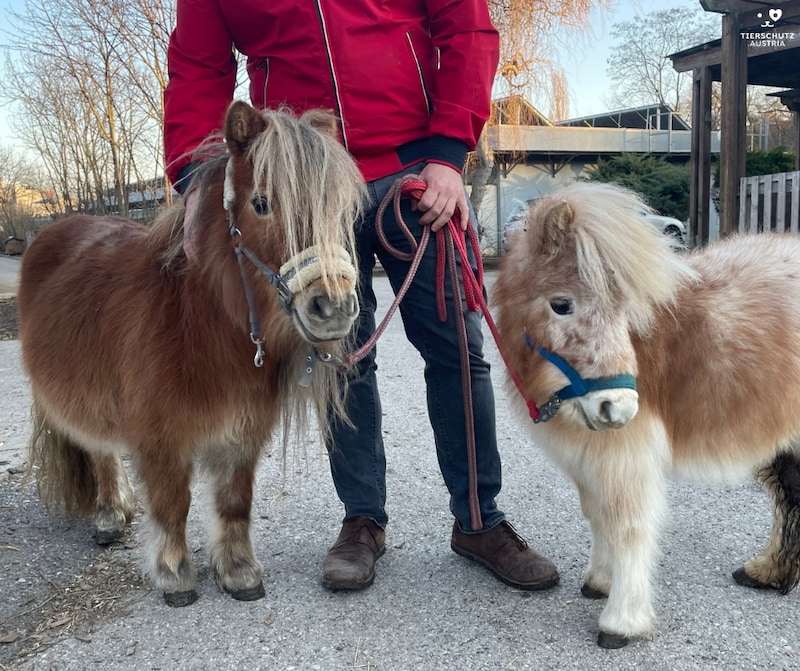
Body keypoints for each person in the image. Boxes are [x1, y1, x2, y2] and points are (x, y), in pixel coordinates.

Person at [164, 0, 559, 593]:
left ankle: (479, 519)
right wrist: (195, 182)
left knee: (456, 346)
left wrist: (451, 152)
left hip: (415, 170)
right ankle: (362, 519)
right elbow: (197, 66)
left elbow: (465, 25)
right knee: (339, 355)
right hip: (305, 178)